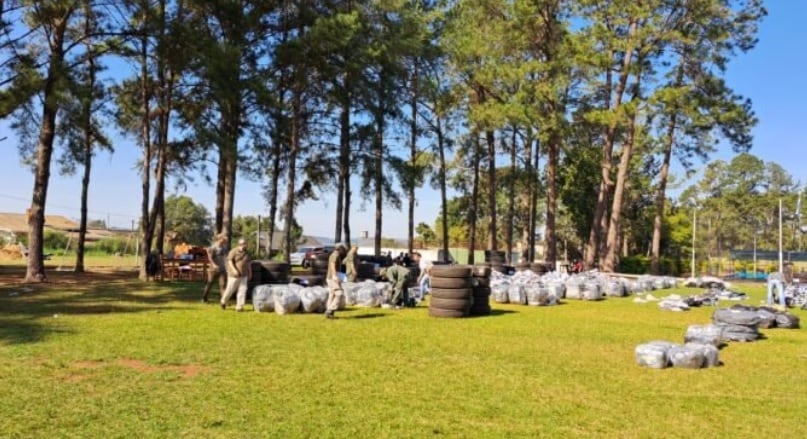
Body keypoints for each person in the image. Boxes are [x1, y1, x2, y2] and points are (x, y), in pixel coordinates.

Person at [220, 238, 251, 311]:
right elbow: (230, 261)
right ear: (240, 244)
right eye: (244, 244)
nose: (246, 245)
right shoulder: (233, 251)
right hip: (234, 275)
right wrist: (234, 270)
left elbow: (248, 263)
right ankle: (223, 301)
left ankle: (239, 307)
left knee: (242, 290)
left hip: (244, 275)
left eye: (246, 244)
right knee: (230, 289)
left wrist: (250, 272)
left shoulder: (247, 253)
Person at [202, 233, 228, 303]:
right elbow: (210, 257)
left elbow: (226, 258)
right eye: (224, 239)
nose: (225, 240)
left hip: (222, 269)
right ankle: (204, 298)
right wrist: (214, 265)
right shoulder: (213, 247)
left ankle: (223, 301)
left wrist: (227, 266)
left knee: (223, 285)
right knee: (210, 283)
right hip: (213, 270)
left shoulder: (224, 247)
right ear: (219, 239)